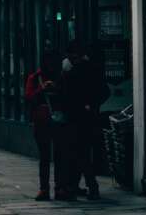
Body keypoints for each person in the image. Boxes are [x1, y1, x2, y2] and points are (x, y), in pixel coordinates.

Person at [59, 40, 102, 201]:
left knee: (79, 154)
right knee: (79, 153)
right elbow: (102, 91)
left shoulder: (76, 71)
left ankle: (91, 186)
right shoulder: (87, 69)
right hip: (83, 117)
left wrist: (89, 104)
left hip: (77, 118)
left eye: (70, 55)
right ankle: (76, 186)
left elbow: (67, 94)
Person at [25, 50, 61, 201]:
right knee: (45, 157)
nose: (50, 65)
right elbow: (28, 98)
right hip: (41, 123)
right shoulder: (34, 78)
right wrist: (41, 89)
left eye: (52, 62)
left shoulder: (61, 77)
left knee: (60, 157)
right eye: (48, 62)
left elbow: (68, 96)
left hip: (59, 121)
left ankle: (60, 188)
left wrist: (57, 88)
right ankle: (44, 189)